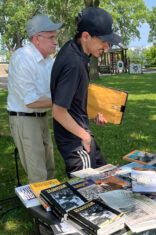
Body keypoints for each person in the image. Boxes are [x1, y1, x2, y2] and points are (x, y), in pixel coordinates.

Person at [50, 7, 124, 177]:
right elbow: (58, 111)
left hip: (81, 133)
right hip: (76, 142)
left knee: (107, 178)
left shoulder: (78, 51)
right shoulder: (73, 63)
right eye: (103, 41)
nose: (107, 47)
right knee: (87, 190)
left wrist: (94, 112)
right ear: (85, 36)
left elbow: (73, 97)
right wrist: (84, 136)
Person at [7, 15, 63, 183]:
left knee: (49, 166)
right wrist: (63, 100)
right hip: (25, 120)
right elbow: (31, 101)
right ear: (37, 39)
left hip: (41, 116)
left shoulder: (49, 60)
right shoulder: (23, 58)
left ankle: (50, 204)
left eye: (56, 37)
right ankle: (39, 207)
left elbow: (56, 88)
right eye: (51, 37)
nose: (56, 42)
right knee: (37, 171)